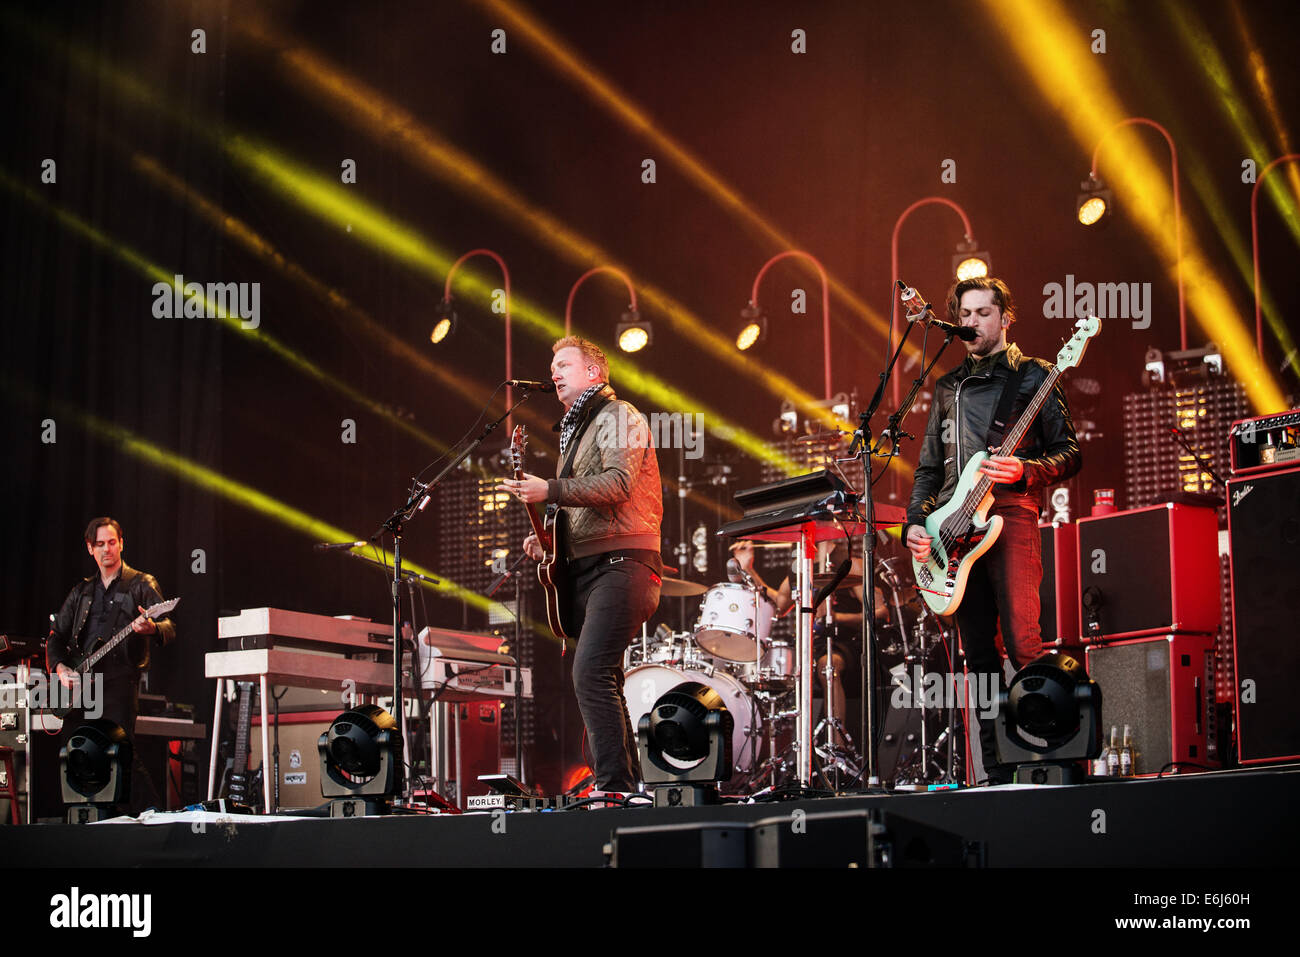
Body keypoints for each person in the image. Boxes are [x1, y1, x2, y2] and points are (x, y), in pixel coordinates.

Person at [903, 277, 1080, 784]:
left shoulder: (1035, 376)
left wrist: (1026, 471)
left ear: (1005, 319)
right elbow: (929, 472)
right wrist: (916, 526)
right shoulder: (948, 387)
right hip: (954, 531)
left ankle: (1053, 761)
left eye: (984, 312)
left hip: (1013, 517)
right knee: (978, 656)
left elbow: (1070, 453)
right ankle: (997, 774)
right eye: (966, 313)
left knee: (1025, 643)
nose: (973, 322)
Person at [498, 337, 663, 793]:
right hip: (594, 565)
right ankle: (626, 787)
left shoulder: (618, 415)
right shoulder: (577, 431)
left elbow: (617, 484)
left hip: (625, 561)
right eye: (552, 366)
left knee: (589, 670)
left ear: (594, 373)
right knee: (603, 674)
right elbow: (586, 504)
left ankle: (613, 786)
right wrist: (550, 542)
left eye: (564, 364)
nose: (553, 372)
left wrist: (549, 490)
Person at [47, 517, 177, 809]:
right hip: (80, 685)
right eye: (100, 544)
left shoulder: (141, 583)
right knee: (77, 752)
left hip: (119, 679)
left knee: (119, 751)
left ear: (121, 543)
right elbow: (55, 637)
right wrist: (61, 668)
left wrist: (152, 628)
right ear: (90, 548)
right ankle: (87, 816)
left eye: (112, 542)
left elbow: (169, 625)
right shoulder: (82, 591)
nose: (107, 549)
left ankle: (151, 815)